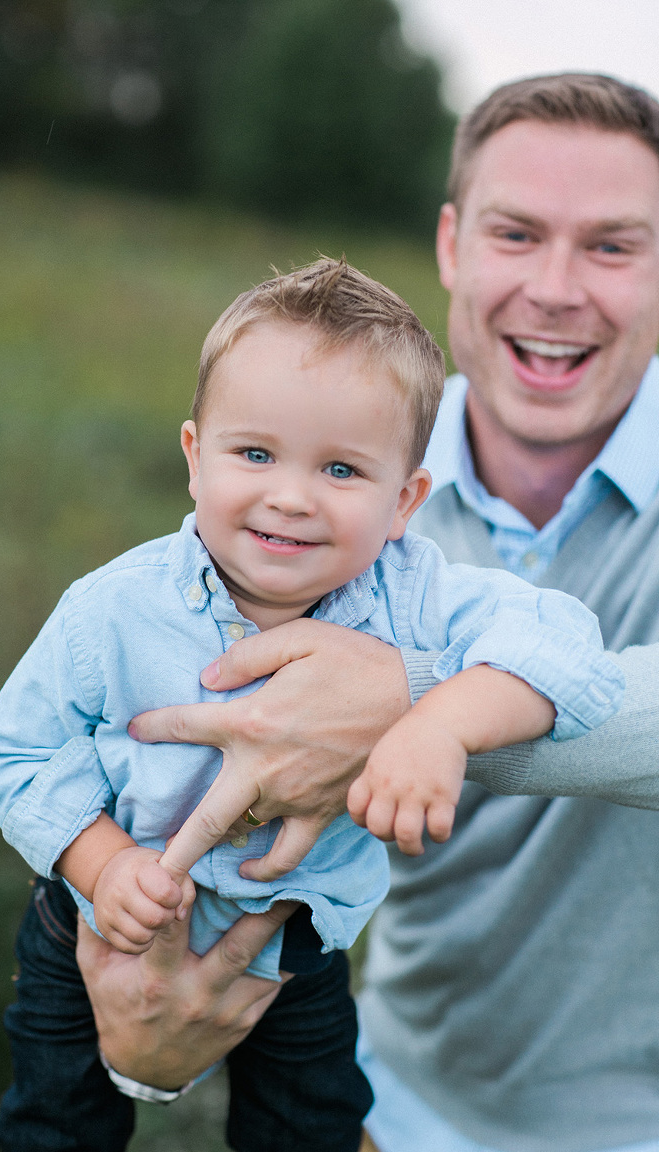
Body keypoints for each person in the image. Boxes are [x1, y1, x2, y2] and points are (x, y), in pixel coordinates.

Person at [77, 73, 659, 1152]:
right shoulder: (339, 490)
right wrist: (145, 1052)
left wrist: (417, 707)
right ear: (451, 247)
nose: (557, 287)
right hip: (385, 1105)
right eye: (517, 234)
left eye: (614, 246)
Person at [0, 257, 622, 1152]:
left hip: (295, 940)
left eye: (342, 470)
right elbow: (16, 753)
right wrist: (99, 863)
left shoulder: (413, 595)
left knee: (310, 1130)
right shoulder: (113, 609)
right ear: (195, 458)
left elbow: (573, 657)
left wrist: (440, 716)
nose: (291, 495)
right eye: (254, 454)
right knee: (54, 1129)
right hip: (94, 922)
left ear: (404, 502)